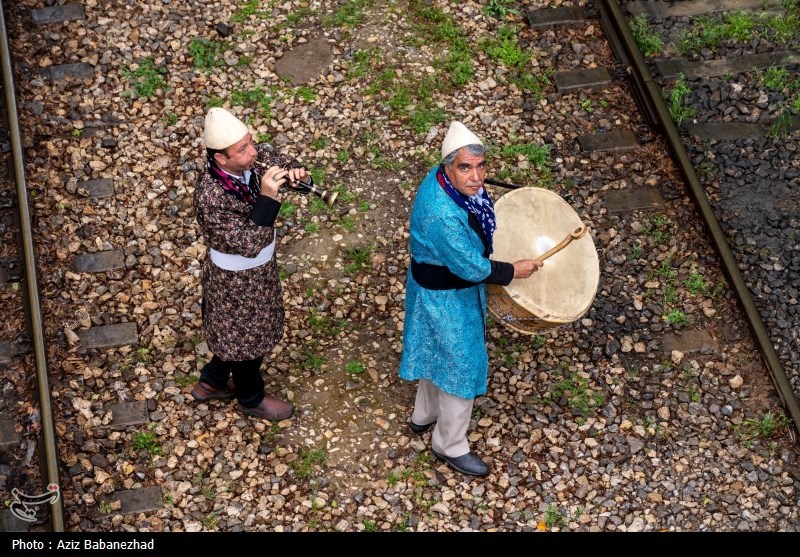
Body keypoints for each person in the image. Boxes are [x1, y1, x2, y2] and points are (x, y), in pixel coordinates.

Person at [398, 121, 543, 477]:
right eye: (465, 167)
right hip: (448, 297)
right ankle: (449, 444)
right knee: (462, 366)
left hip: (430, 287)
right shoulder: (443, 215)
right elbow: (474, 269)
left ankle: (425, 414)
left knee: (435, 350)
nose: (476, 177)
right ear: (449, 166)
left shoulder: (441, 180)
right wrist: (513, 270)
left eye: (480, 166)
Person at [191, 106, 310, 420]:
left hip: (260, 269)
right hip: (234, 280)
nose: (253, 151)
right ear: (221, 159)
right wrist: (269, 196)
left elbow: (279, 158)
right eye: (242, 149)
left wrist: (298, 172)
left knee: (233, 334)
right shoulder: (210, 196)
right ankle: (250, 397)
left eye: (250, 142)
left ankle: (212, 382)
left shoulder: (249, 157)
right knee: (246, 342)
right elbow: (249, 242)